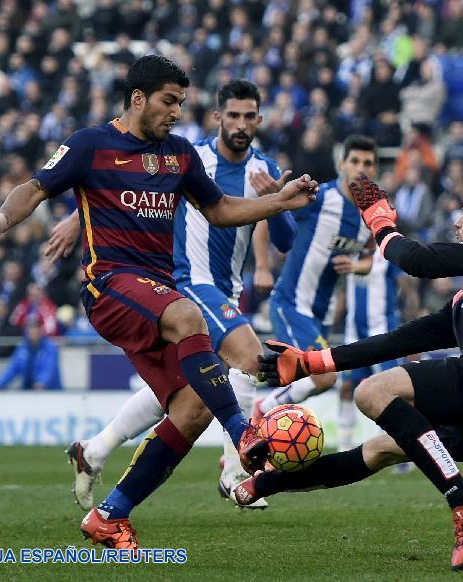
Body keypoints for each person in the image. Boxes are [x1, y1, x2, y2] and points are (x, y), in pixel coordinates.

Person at [0, 55, 318, 549]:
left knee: (191, 409)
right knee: (190, 316)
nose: (175, 112)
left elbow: (220, 209)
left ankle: (110, 514)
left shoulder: (179, 155)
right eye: (169, 102)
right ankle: (244, 433)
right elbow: (36, 187)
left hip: (156, 294)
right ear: (138, 98)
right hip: (109, 284)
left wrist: (279, 202)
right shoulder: (91, 144)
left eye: (181, 103)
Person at [245, 178, 463, 571]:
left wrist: (380, 221)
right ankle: (265, 483)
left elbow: (420, 261)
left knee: (371, 392)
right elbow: (397, 341)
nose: (457, 223)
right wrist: (313, 362)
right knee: (379, 449)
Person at [50, 79, 295, 512]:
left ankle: (96, 450)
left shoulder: (265, 166)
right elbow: (117, 187)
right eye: (232, 115)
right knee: (249, 357)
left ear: (259, 119)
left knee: (193, 389)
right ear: (218, 117)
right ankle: (237, 468)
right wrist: (77, 217)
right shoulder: (187, 154)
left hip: (227, 291)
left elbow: (285, 239)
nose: (241, 124)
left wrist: (275, 199)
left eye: (249, 116)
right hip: (185, 282)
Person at [251, 135, 378, 420]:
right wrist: (261, 265)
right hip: (291, 303)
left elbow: (369, 257)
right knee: (325, 378)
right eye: (355, 161)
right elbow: (268, 210)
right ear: (342, 164)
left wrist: (357, 267)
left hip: (321, 314)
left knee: (301, 389)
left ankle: (249, 451)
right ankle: (260, 410)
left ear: (376, 170)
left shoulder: (369, 215)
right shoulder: (319, 197)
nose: (361, 168)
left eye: (368, 163)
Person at [337, 251, 405, 451]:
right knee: (347, 387)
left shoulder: (387, 254)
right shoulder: (351, 253)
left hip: (382, 333)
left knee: (389, 390)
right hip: (353, 334)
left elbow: (405, 284)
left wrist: (411, 315)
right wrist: (335, 321)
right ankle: (344, 446)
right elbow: (344, 291)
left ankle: (394, 442)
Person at [0, 319, 62, 390]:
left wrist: (41, 382)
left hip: (50, 391)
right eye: (30, 328)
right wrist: (0, 384)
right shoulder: (22, 347)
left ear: (41, 330)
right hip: (27, 390)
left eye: (35, 328)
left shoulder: (50, 347)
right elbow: (12, 368)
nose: (33, 331)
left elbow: (49, 369)